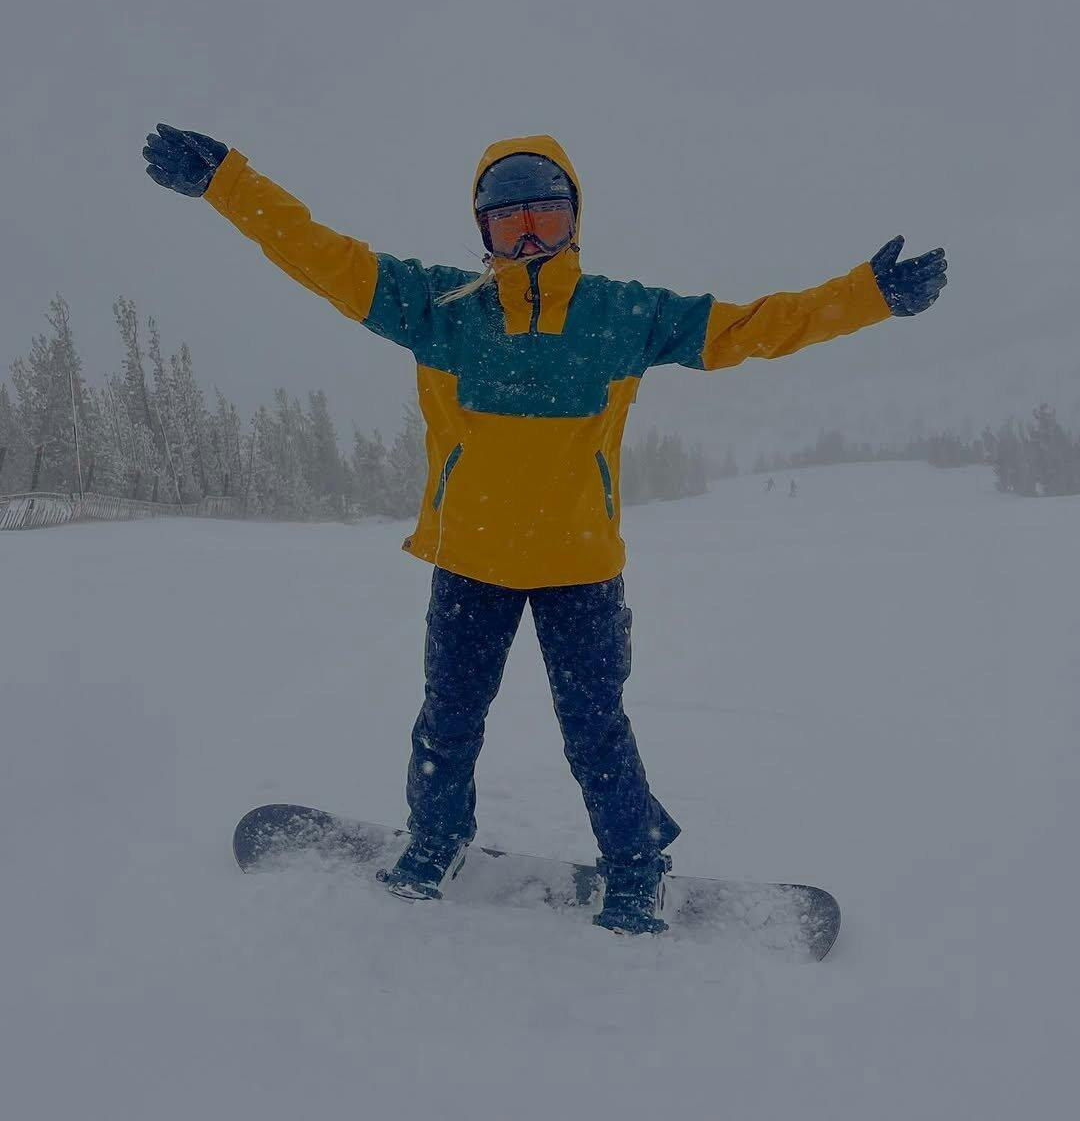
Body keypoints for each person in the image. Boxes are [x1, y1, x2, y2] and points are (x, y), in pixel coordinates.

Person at [143, 123, 948, 935]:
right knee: (448, 719)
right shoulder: (437, 309)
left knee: (596, 732)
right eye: (508, 222)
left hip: (579, 569)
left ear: (574, 220)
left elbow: (753, 327)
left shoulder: (623, 315)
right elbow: (320, 254)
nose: (528, 237)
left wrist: (868, 296)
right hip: (471, 562)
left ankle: (636, 867)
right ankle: (436, 839)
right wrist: (226, 183)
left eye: (545, 217)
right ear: (482, 231)